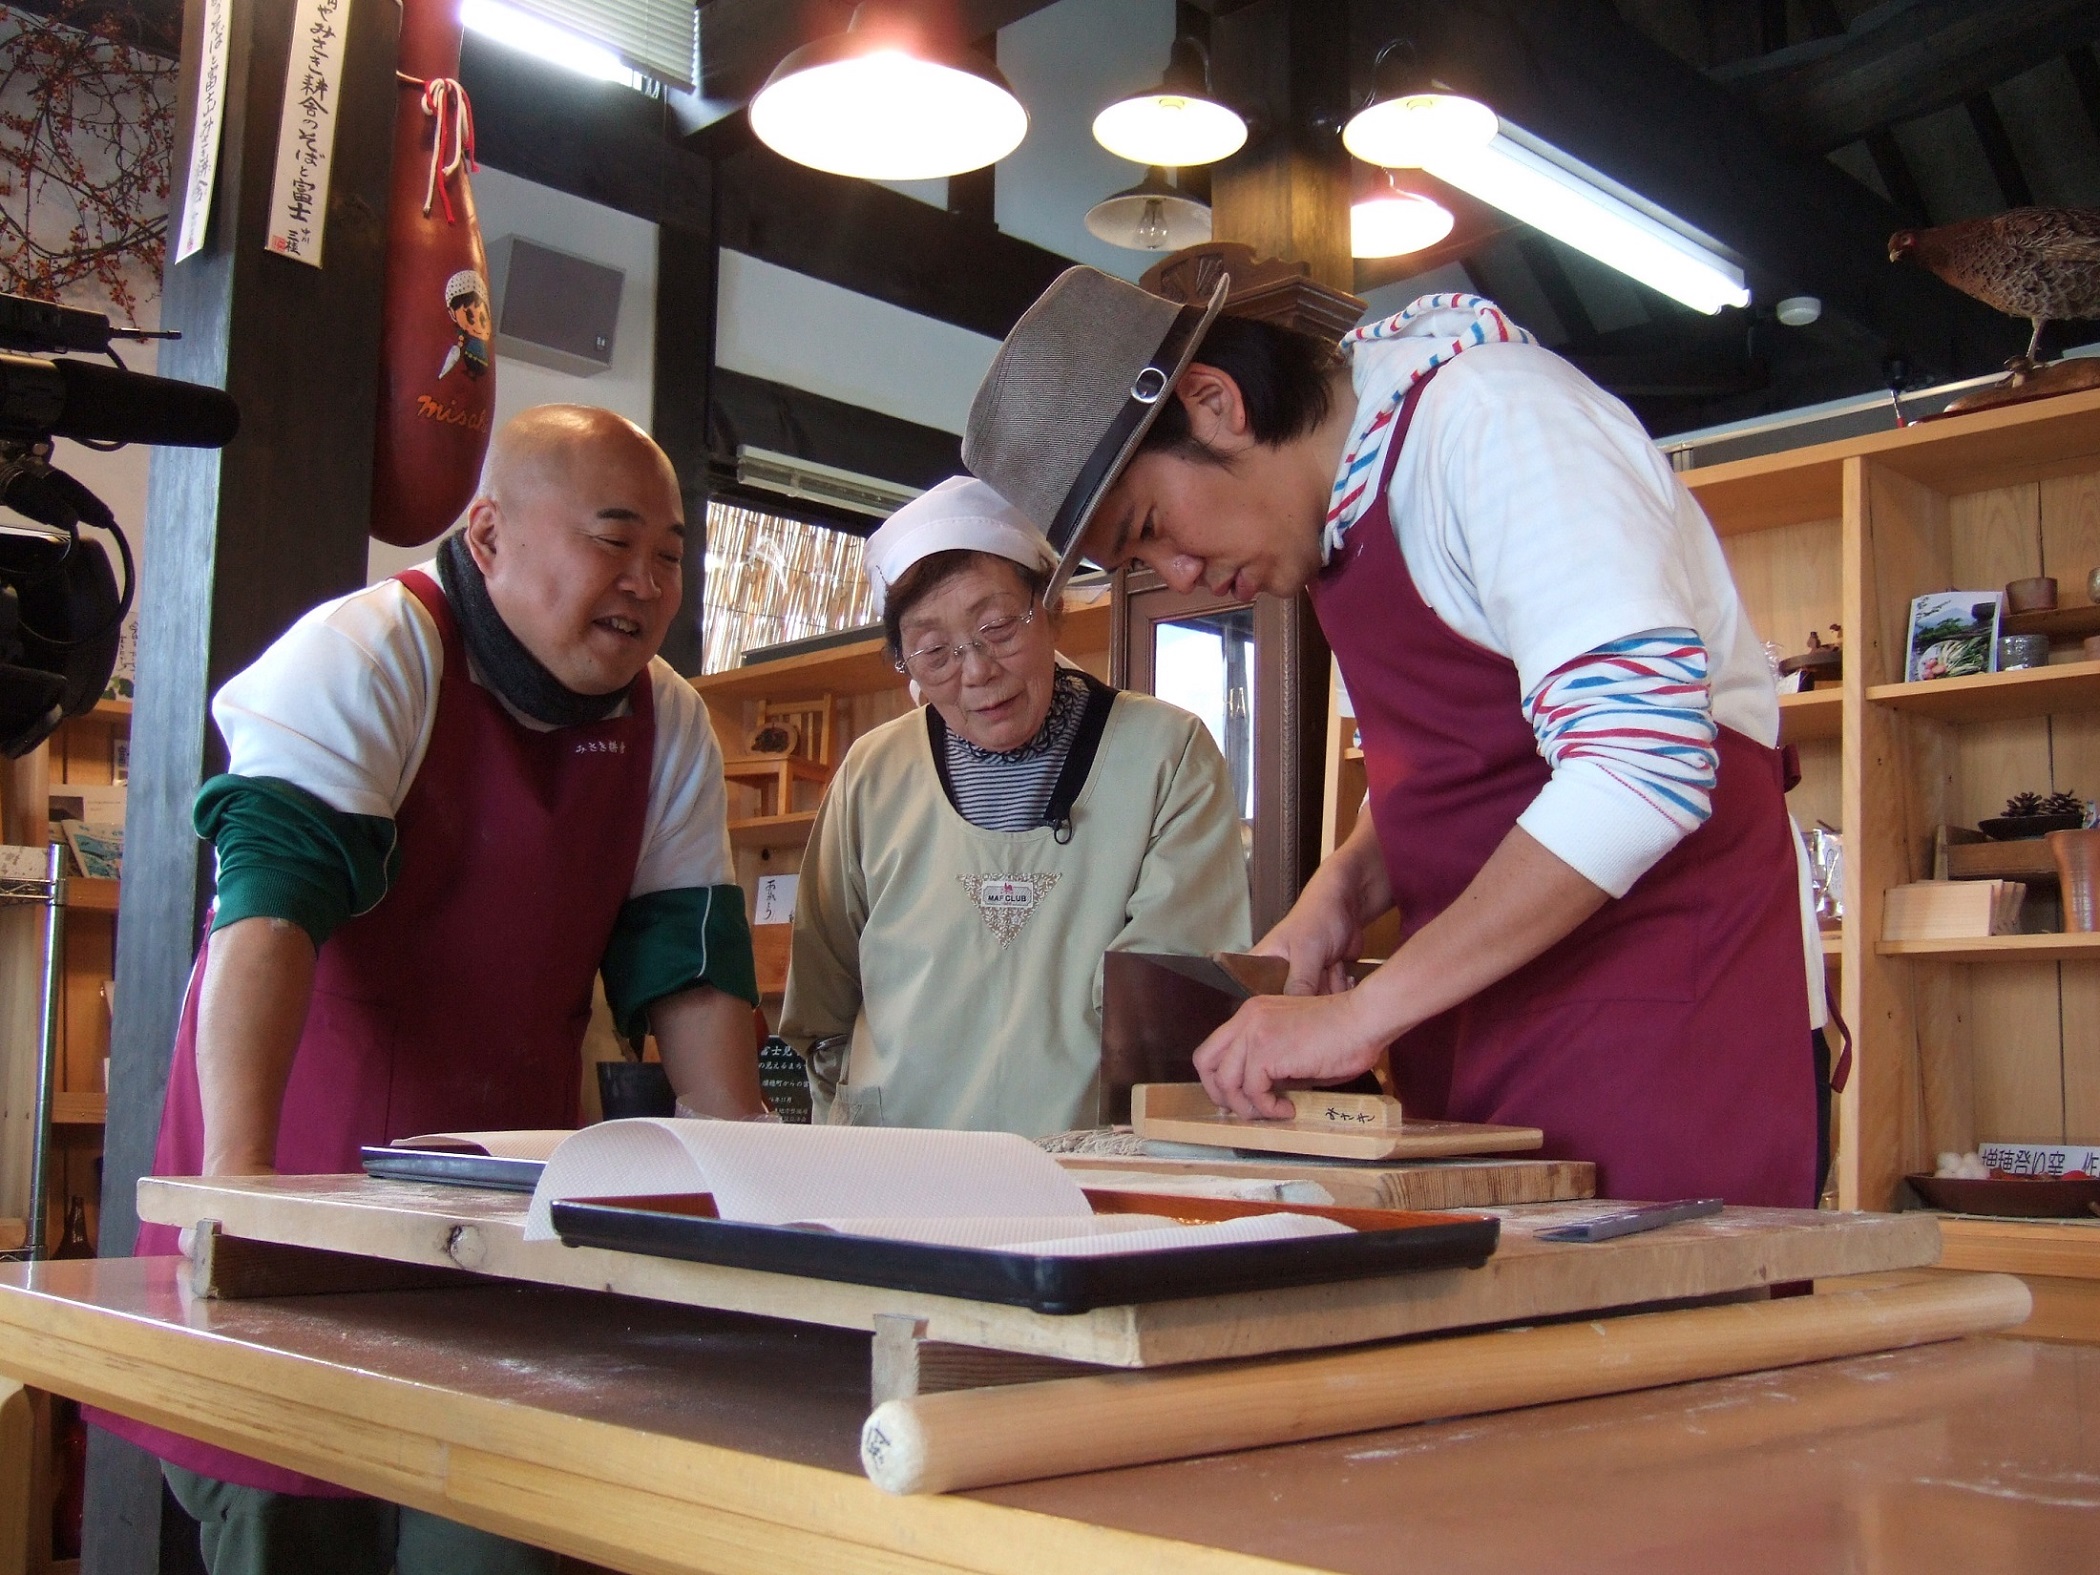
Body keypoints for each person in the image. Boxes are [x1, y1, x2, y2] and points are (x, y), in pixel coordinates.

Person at [961, 274, 1825, 1207]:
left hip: (1667, 1043)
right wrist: (1341, 893)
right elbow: (1466, 775)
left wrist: (1363, 1013)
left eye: (1153, 528)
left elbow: (1639, 760)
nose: (1180, 575)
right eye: (1137, 567)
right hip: (1480, 1038)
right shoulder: (1339, 527)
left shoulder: (1497, 423)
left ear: (1215, 404)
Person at [98, 405, 765, 1575]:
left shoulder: (670, 721)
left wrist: (752, 1186)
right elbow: (264, 917)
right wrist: (240, 1202)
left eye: (669, 556)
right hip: (304, 1158)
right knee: (293, 1514)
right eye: (614, 541)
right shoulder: (368, 650)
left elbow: (689, 963)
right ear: (491, 533)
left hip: (502, 1213)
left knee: (502, 1531)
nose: (648, 583)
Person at [779, 476, 1251, 1135]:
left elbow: (1170, 1018)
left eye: (997, 627)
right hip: (893, 1175)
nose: (975, 671)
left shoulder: (1166, 755)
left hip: (1084, 1183)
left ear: (1052, 604)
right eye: (934, 651)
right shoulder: (872, 773)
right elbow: (822, 1006)